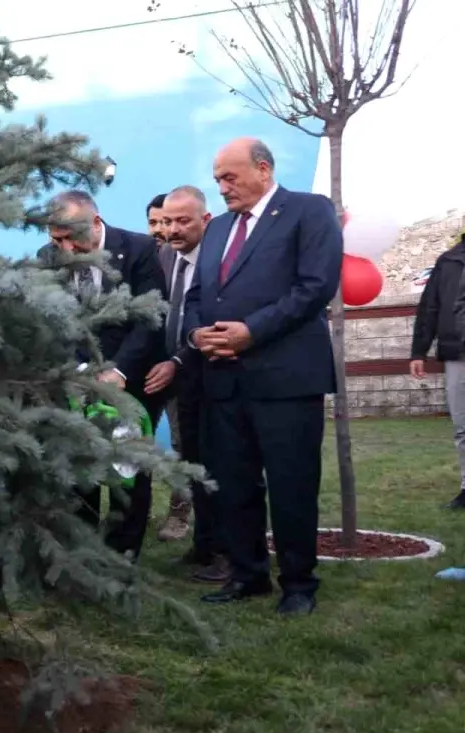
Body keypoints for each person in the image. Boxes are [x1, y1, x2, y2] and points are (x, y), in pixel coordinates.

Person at [182, 137, 341, 616]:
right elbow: (196, 296)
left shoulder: (308, 211)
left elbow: (315, 287)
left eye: (230, 178)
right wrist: (196, 337)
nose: (223, 188)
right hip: (225, 381)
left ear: (264, 170)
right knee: (235, 485)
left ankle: (298, 584)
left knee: (292, 486)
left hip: (286, 380)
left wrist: (252, 332)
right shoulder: (217, 230)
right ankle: (248, 574)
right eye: (218, 180)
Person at [39, 190, 168, 561]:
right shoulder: (47, 259)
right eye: (56, 239)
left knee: (128, 467)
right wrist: (77, 371)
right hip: (75, 380)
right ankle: (83, 551)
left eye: (70, 237)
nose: (64, 247)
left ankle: (122, 550)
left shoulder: (140, 248)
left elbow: (149, 316)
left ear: (96, 223)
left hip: (132, 374)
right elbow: (52, 321)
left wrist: (120, 369)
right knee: (81, 464)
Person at [143, 186, 226, 581]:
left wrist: (180, 359)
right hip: (173, 372)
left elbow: (209, 323)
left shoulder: (221, 258)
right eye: (166, 222)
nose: (172, 230)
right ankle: (204, 546)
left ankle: (229, 552)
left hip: (210, 373)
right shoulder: (163, 256)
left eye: (181, 221)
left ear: (204, 220)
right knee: (191, 461)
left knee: (220, 467)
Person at [410, 237, 465, 508]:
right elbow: (429, 307)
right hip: (458, 354)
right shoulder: (448, 261)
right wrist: (419, 352)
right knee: (462, 426)